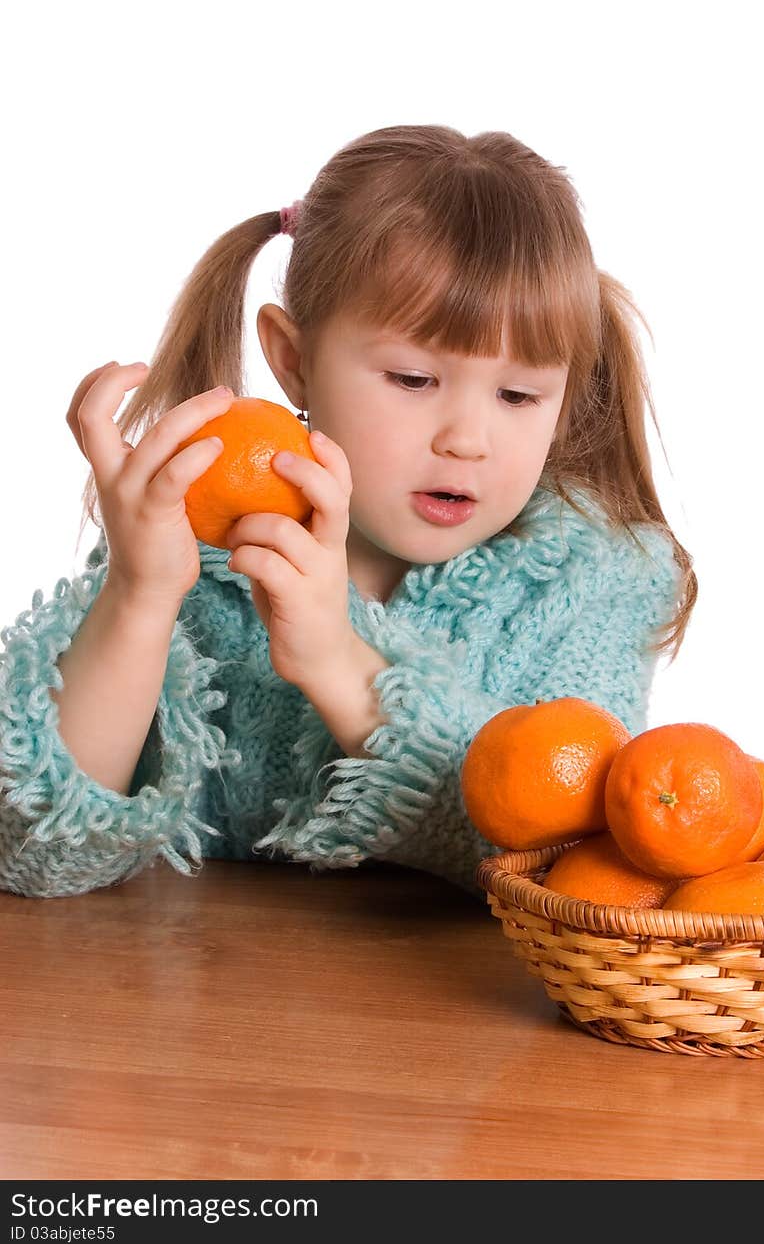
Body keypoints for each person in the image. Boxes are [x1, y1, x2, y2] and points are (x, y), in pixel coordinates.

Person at [0, 124, 697, 901]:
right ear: (293, 359)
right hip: (197, 1006)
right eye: (411, 378)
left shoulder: (594, 578)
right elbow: (35, 851)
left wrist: (336, 657)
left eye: (517, 395)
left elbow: (574, 865)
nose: (467, 439)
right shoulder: (190, 553)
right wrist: (138, 595)